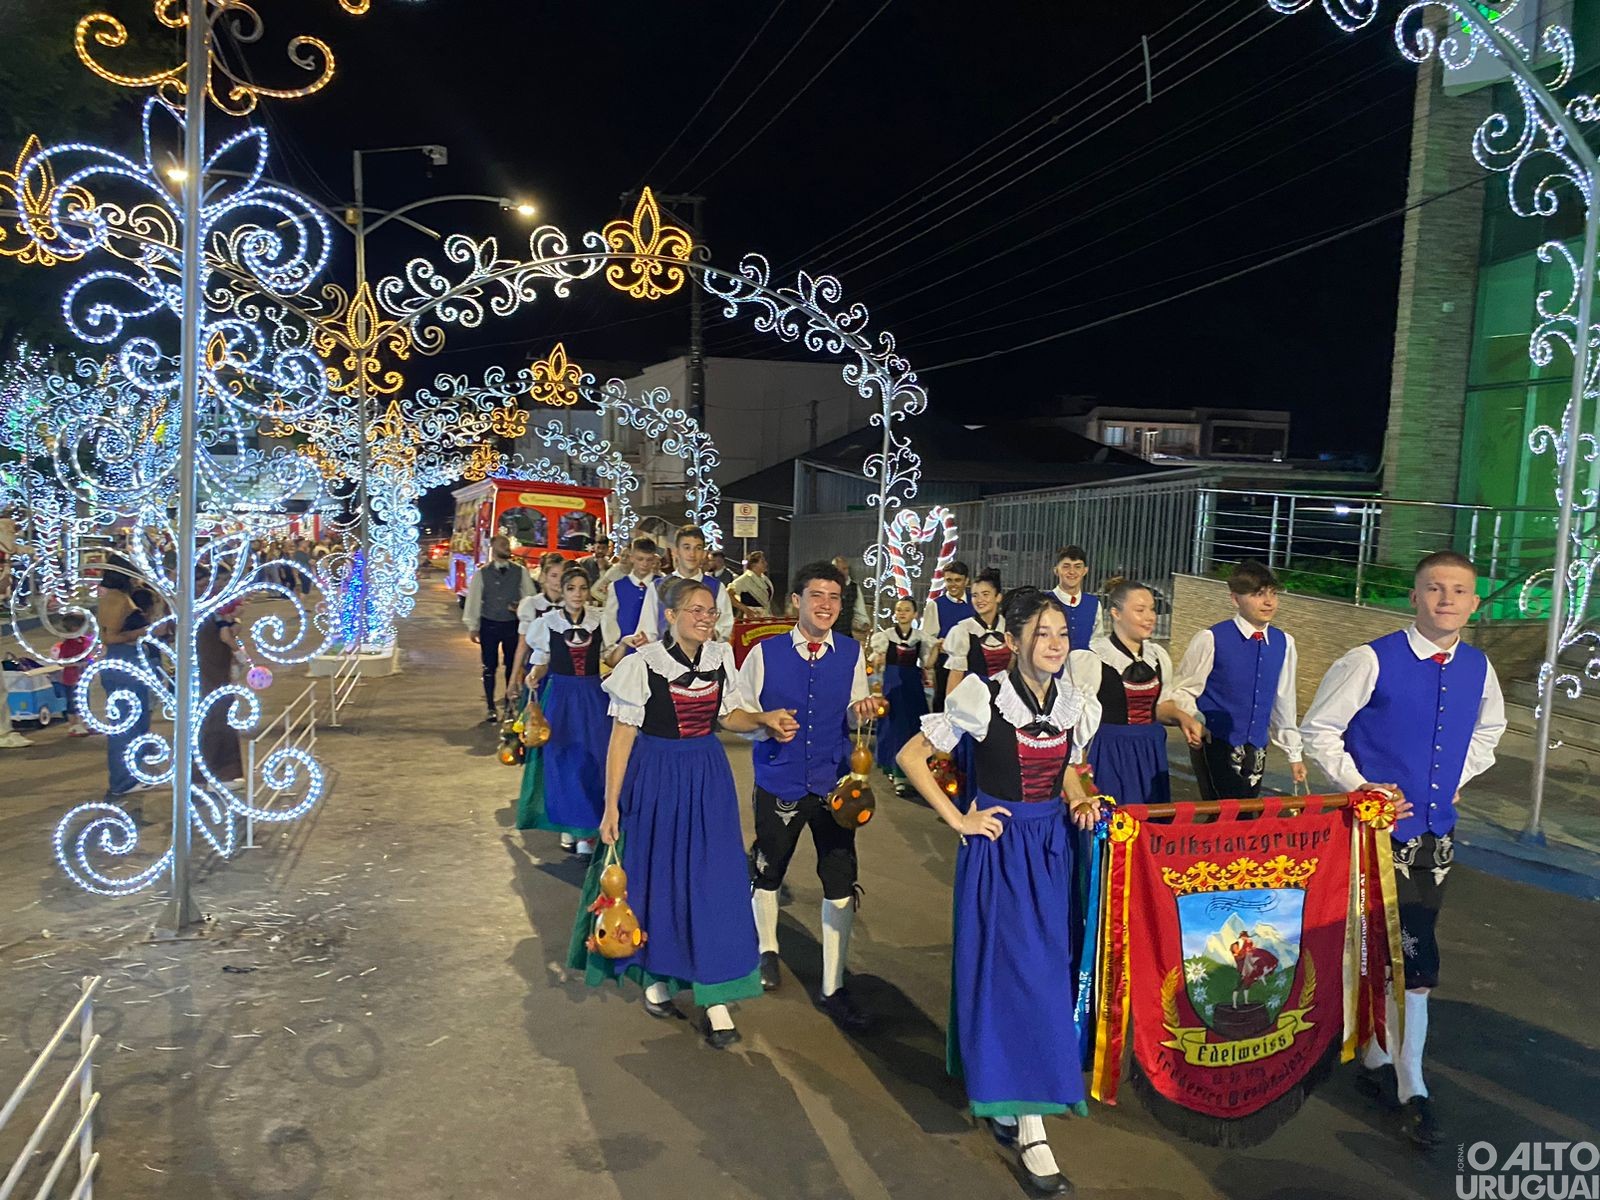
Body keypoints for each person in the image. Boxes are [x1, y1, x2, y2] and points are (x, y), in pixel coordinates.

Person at [896, 588, 1102, 1195]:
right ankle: (1034, 1126)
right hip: (1002, 850)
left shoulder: (1071, 700)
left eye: (1062, 633)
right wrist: (959, 819)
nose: (1055, 644)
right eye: (1042, 633)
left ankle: (1009, 1094)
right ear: (1012, 641)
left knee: (1045, 973)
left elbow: (1067, 766)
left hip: (1052, 851)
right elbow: (911, 756)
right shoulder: (981, 695)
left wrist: (1079, 798)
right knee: (1019, 975)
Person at [1300, 551, 1505, 1149]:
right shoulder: (1370, 659)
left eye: (1459, 590)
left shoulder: (1479, 667)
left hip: (1434, 838)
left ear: (1474, 602)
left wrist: (1455, 777)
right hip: (1373, 836)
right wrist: (1363, 787)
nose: (1447, 599)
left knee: (1414, 956)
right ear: (1414, 597)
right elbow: (1319, 730)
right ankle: (1395, 1072)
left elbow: (1489, 731)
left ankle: (1392, 1068)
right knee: (1381, 951)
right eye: (1434, 588)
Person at [571, 577, 798, 1048]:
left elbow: (728, 715)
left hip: (707, 776)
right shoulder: (642, 664)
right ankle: (656, 975)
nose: (705, 617)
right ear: (671, 616)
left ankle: (714, 995)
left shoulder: (720, 657)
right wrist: (611, 805)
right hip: (656, 778)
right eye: (695, 610)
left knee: (713, 881)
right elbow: (621, 739)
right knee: (659, 878)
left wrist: (762, 718)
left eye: (710, 610)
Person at [739, 561, 880, 1032]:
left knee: (840, 878)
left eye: (834, 597)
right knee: (769, 868)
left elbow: (854, 712)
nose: (826, 605)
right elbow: (737, 712)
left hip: (834, 784)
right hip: (779, 779)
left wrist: (863, 710)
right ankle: (767, 948)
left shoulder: (851, 652)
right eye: (817, 595)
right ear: (796, 601)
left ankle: (833, 986)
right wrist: (764, 721)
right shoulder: (764, 653)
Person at [1170, 560, 1307, 801]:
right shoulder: (1211, 638)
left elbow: (1284, 701)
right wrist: (1195, 720)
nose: (1269, 602)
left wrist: (1294, 754)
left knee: (1248, 811)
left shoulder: (1284, 642)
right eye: (1258, 594)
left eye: (1273, 594)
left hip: (1257, 746)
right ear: (1235, 599)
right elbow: (1183, 690)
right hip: (1216, 742)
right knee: (1221, 811)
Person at [512, 568, 619, 854]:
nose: (577, 594)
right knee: (563, 761)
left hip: (593, 697)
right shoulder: (547, 623)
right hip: (561, 698)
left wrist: (627, 645)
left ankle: (586, 832)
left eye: (583, 588)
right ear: (563, 590)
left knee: (592, 760)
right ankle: (568, 827)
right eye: (571, 588)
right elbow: (543, 660)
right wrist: (534, 674)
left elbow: (610, 657)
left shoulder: (600, 621)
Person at [1069, 579, 1203, 808]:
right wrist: (1080, 777)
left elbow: (1159, 707)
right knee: (1114, 818)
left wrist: (1183, 718)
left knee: (1151, 818)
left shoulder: (1158, 656)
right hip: (1108, 752)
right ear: (1116, 613)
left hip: (1150, 751)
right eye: (1140, 610)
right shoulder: (1092, 658)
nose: (1150, 617)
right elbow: (1077, 724)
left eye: (1152, 609)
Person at [98, 566, 161, 801]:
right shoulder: (117, 600)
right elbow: (110, 637)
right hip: (124, 661)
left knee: (133, 722)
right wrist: (144, 631)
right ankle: (123, 781)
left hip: (126, 661)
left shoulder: (113, 597)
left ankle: (130, 775)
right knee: (126, 725)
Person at [463, 535, 535, 723]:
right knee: (489, 666)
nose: (507, 547)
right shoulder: (482, 573)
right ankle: (490, 706)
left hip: (512, 625)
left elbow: (530, 597)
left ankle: (509, 704)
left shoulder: (520, 572)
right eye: (503, 544)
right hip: (489, 624)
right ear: (493, 547)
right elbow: (474, 599)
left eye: (507, 544)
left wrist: (521, 608)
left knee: (512, 666)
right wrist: (473, 626)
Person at [868, 596, 934, 796]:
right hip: (892, 686)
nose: (902, 613)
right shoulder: (885, 636)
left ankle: (908, 771)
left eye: (906, 610)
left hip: (912, 686)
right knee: (893, 729)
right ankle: (895, 771)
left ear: (915, 614)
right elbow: (876, 664)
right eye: (899, 610)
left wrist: (937, 648)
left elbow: (927, 664)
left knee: (912, 727)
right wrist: (877, 667)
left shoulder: (920, 637)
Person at [639, 525, 733, 641]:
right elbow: (647, 630)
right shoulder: (657, 587)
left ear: (704, 554)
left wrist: (710, 634)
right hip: (664, 651)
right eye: (687, 547)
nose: (692, 554)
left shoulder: (716, 588)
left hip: (704, 650)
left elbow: (724, 626)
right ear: (676, 551)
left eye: (698, 548)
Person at [197, 597, 245, 787]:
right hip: (211, 671)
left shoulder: (212, 609)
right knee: (217, 715)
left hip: (214, 670)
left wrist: (233, 620)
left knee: (218, 713)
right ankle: (218, 774)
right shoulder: (211, 611)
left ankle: (211, 774)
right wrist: (240, 653)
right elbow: (226, 636)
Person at [943, 568, 1011, 692]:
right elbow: (956, 675)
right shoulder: (963, 630)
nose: (979, 600)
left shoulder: (1009, 628)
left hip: (1006, 695)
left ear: (998, 597)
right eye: (975, 595)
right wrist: (950, 703)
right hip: (974, 695)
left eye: (985, 594)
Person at [922, 561, 975, 712]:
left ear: (966, 581)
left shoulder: (976, 602)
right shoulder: (935, 605)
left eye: (957, 580)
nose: (953, 585)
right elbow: (928, 638)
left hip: (973, 665)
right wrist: (939, 645)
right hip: (945, 665)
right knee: (944, 704)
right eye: (949, 580)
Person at [601, 537, 661, 653]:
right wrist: (613, 647)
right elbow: (609, 619)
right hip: (625, 650)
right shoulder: (617, 586)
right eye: (640, 559)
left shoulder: (662, 585)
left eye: (649, 560)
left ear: (654, 559)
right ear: (632, 557)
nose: (644, 564)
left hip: (655, 650)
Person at [1049, 545, 1100, 650]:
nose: (1072, 572)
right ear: (1056, 570)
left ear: (1085, 571)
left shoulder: (1094, 604)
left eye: (1077, 567)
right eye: (1066, 566)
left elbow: (1097, 642)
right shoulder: (1043, 602)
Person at [52, 613, 93, 738]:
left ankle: (86, 723)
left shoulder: (85, 640)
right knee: (72, 702)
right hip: (71, 678)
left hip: (83, 676)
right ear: (75, 628)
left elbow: (89, 655)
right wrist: (77, 664)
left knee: (85, 700)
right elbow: (62, 662)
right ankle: (74, 725)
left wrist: (90, 661)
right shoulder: (68, 644)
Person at [829, 555, 869, 637]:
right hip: (826, 634)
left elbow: (860, 610)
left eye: (844, 569)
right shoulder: (826, 587)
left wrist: (864, 624)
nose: (842, 572)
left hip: (846, 634)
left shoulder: (854, 587)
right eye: (838, 569)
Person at [728, 551, 775, 617]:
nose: (766, 564)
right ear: (753, 565)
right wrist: (744, 608)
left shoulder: (764, 579)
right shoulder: (744, 579)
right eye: (762, 562)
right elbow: (728, 594)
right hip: (751, 617)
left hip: (764, 616)